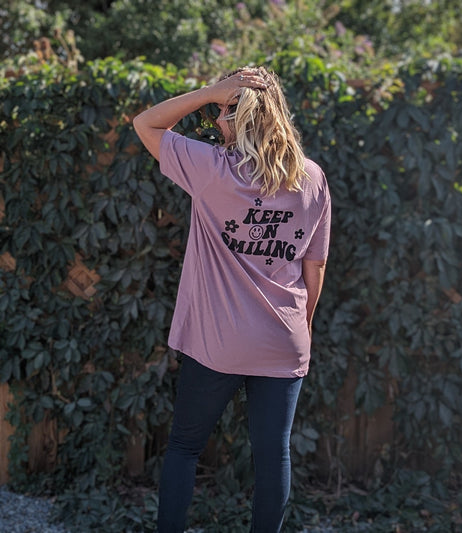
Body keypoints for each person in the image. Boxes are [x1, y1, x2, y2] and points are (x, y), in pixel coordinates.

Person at [133, 66, 331, 533]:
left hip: (217, 341)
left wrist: (208, 92)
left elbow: (146, 123)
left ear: (235, 115)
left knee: (184, 447)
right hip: (282, 339)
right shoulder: (311, 177)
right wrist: (302, 326)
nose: (214, 123)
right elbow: (315, 267)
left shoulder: (212, 169)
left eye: (218, 113)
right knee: (273, 456)